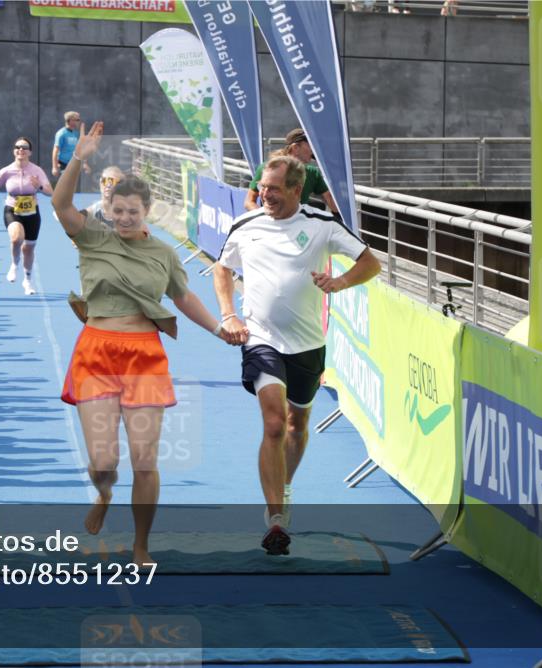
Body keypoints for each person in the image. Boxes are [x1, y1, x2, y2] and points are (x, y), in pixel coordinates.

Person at [52, 121, 231, 565]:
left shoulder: (164, 253)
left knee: (145, 460)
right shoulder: (91, 238)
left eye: (135, 211)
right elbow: (59, 203)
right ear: (109, 208)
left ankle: (140, 545)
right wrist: (78, 158)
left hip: (144, 357)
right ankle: (104, 493)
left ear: (147, 210)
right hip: (96, 352)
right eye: (120, 210)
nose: (126, 217)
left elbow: (184, 297)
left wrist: (218, 328)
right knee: (104, 462)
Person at [213, 155, 381, 555]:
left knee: (296, 423)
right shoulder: (246, 225)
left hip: (307, 343)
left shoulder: (320, 224)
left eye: (273, 188)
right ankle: (276, 517)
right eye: (262, 186)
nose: (264, 194)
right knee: (273, 423)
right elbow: (222, 270)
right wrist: (228, 315)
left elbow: (370, 263)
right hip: (260, 339)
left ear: (295, 189)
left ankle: (284, 484)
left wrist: (338, 282)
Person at [0, 137, 52, 295]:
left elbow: (50, 191)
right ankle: (14, 264)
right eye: (18, 147)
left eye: (25, 147)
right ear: (14, 151)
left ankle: (27, 280)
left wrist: (38, 186)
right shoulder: (6, 171)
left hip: (32, 213)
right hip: (12, 210)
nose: (21, 150)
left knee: (28, 249)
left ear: (30, 152)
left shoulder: (37, 170)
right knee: (16, 238)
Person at [243, 129, 338, 215]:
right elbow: (249, 202)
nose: (315, 149)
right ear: (296, 148)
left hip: (300, 226)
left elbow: (330, 200)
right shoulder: (267, 168)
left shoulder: (313, 172)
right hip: (275, 225)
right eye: (311, 144)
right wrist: (265, 217)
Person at [51, 111, 89, 179]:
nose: (79, 122)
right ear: (70, 120)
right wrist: (54, 167)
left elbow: (81, 149)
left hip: (75, 164)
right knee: (65, 186)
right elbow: (55, 151)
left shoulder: (76, 133)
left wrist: (85, 163)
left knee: (74, 186)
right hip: (64, 165)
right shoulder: (61, 133)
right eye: (77, 120)